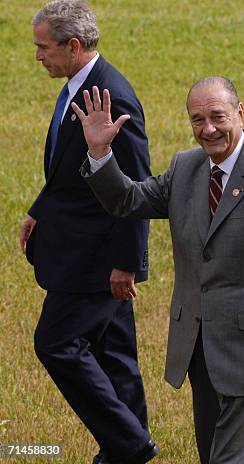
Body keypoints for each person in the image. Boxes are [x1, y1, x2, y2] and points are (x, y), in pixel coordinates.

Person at [71, 77, 244, 464]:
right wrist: (99, 151)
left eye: (217, 117)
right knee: (216, 456)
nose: (208, 129)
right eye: (197, 120)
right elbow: (127, 201)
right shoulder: (186, 167)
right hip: (201, 348)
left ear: (240, 114)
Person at [19, 1, 155, 463]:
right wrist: (40, 209)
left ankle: (131, 444)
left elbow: (136, 186)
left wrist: (127, 262)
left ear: (73, 46)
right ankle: (125, 449)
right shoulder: (79, 87)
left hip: (96, 261)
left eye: (44, 47)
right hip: (83, 250)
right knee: (114, 354)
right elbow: (70, 169)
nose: (38, 56)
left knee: (56, 344)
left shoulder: (109, 96)